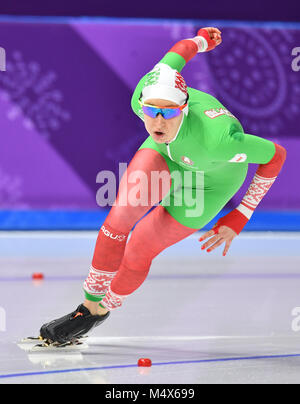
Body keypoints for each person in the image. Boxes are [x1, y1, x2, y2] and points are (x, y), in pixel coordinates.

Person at [40, 27, 287, 345]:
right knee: (119, 219)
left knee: (140, 247)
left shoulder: (221, 141)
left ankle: (103, 309)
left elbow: (276, 155)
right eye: (150, 111)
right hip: (167, 155)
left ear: (183, 109)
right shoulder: (147, 90)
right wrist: (202, 40)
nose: (157, 121)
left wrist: (241, 215)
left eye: (168, 113)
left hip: (209, 183)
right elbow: (181, 50)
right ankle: (85, 308)